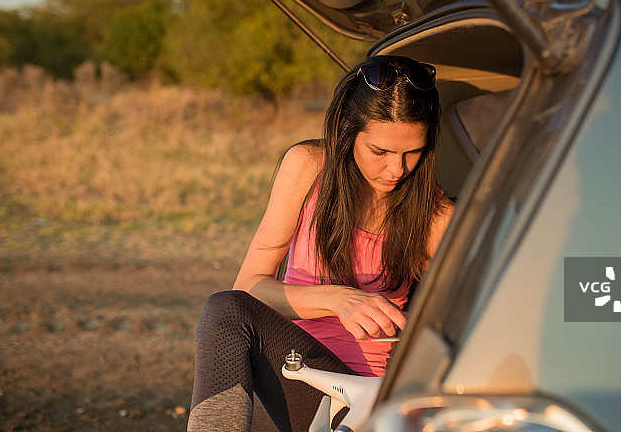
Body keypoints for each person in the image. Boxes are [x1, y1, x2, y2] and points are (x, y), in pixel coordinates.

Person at [187, 55, 454, 431]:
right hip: (295, 368)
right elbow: (249, 287)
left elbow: (457, 330)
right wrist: (336, 299)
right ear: (348, 132)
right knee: (226, 309)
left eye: (412, 153)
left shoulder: (436, 215)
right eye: (380, 152)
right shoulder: (308, 167)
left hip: (364, 394)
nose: (397, 170)